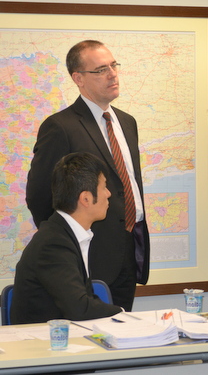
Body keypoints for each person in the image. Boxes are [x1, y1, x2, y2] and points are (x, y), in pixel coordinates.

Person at [26, 40, 150, 311]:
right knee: (89, 329)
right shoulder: (61, 127)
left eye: (114, 66)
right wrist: (65, 245)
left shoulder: (127, 122)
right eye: (101, 70)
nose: (112, 74)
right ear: (78, 78)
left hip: (129, 248)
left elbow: (127, 185)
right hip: (88, 255)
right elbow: (39, 196)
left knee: (122, 327)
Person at [12, 152, 123, 324]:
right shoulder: (53, 243)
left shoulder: (66, 233)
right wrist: (122, 314)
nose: (108, 193)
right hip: (44, 339)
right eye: (104, 187)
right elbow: (79, 308)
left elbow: (85, 300)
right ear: (86, 198)